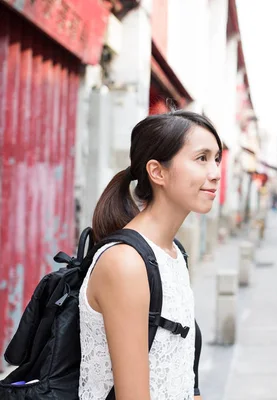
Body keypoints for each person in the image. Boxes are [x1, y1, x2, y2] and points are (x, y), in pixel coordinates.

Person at [79, 110, 221, 400]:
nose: (216, 173)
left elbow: (180, 375)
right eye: (201, 158)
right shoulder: (126, 263)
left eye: (217, 159)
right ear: (157, 172)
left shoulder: (173, 253)